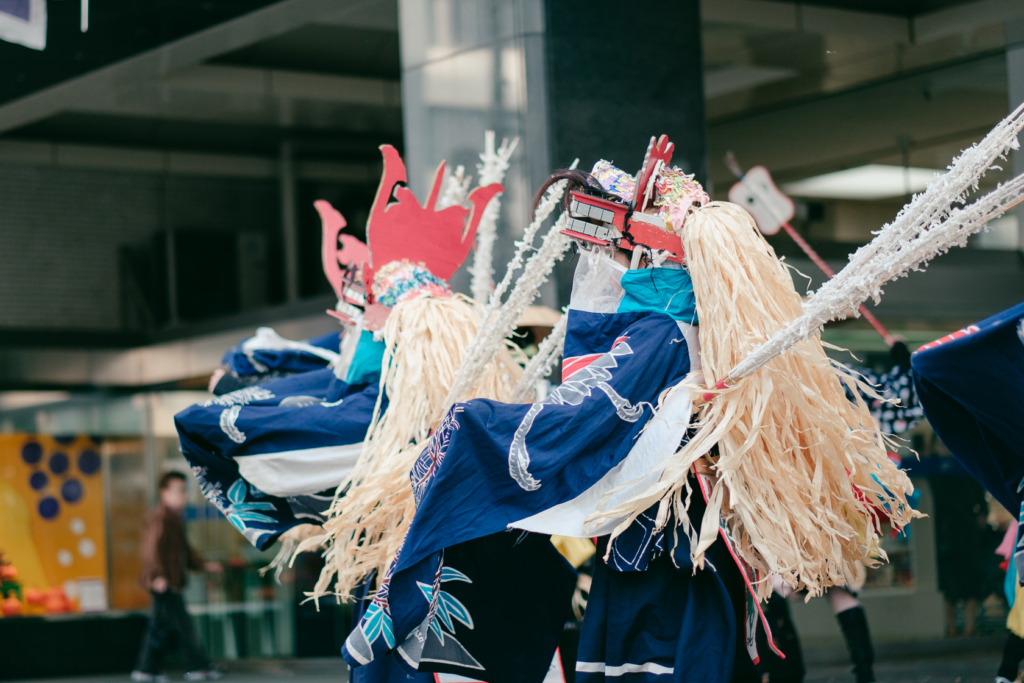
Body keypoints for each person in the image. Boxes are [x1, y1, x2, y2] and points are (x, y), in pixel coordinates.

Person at [132, 472, 223, 682]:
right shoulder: (161, 516)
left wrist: (204, 565)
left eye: (185, 490)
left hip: (168, 581)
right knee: (181, 626)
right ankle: (196, 666)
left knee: (161, 626)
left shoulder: (173, 517)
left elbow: (184, 551)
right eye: (179, 490)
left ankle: (147, 669)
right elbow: (151, 549)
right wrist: (159, 576)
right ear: (164, 493)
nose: (184, 495)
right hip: (164, 582)